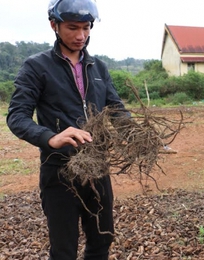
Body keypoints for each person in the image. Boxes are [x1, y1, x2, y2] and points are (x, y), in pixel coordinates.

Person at [6, 0, 126, 259]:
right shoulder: (36, 67)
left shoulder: (98, 68)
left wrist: (138, 135)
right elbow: (17, 117)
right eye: (72, 27)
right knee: (63, 250)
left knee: (102, 240)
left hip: (97, 168)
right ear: (54, 25)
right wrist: (50, 137)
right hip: (58, 171)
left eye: (86, 28)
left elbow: (116, 109)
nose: (80, 36)